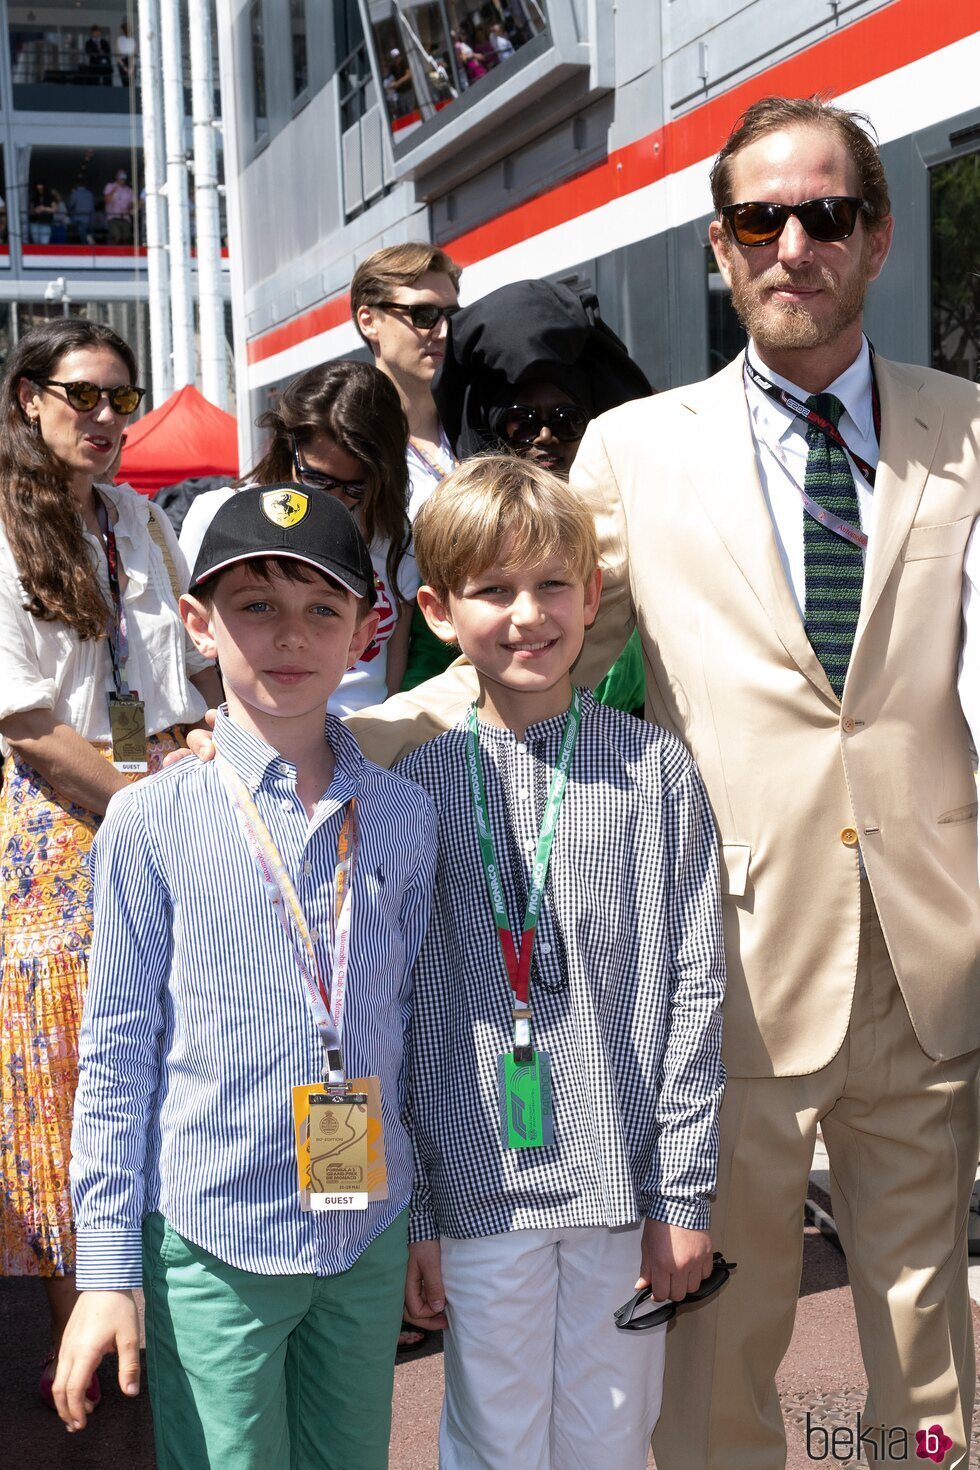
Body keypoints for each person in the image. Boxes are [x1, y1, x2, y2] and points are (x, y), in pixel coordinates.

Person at [344, 95, 980, 1468]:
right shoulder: (638, 451)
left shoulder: (965, 431)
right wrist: (331, 745)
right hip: (737, 956)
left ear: (875, 236)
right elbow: (545, 650)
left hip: (927, 954)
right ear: (721, 247)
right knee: (717, 1351)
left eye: (825, 213)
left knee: (925, 1353)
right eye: (763, 217)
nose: (794, 242)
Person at [53, 488, 436, 1467]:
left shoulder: (402, 816)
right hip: (210, 1243)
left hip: (364, 1234)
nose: (288, 636)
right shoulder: (150, 821)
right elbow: (116, 1052)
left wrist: (422, 1218)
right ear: (196, 622)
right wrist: (106, 1272)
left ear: (364, 629)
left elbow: (415, 1032)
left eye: (321, 608)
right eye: (255, 605)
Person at [394, 456, 725, 1467]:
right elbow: (397, 1012)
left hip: (620, 1197)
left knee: (610, 1442)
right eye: (491, 591)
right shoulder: (418, 785)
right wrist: (413, 1209)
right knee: (493, 1444)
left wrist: (680, 1195)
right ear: (441, 612)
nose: (525, 615)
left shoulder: (653, 770)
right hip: (477, 1190)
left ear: (591, 597)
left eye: (548, 586)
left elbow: (694, 989)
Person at [0, 319, 220, 1409]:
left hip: (140, 800)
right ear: (28, 401)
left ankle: (157, 1302)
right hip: (48, 829)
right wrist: (139, 802)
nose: (103, 418)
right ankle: (76, 1332)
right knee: (66, 1071)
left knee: (163, 1057)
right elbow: (32, 724)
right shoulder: (2, 524)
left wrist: (184, 762)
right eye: (80, 396)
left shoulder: (140, 521)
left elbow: (161, 693)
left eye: (119, 399)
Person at [432, 276, 652, 713]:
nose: (546, 435)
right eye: (524, 421)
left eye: (568, 419)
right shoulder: (461, 525)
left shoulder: (642, 517)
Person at [179, 360, 416, 716]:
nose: (335, 499)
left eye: (357, 486)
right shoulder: (219, 516)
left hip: (369, 743)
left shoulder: (394, 535)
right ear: (286, 445)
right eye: (318, 479)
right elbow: (190, 648)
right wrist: (224, 729)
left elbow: (394, 661)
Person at [351, 242, 462, 687]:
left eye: (452, 315)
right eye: (423, 315)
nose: (443, 331)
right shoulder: (347, 449)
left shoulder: (475, 428)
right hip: (372, 694)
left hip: (479, 679)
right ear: (369, 320)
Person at [103, 171, 134, 246]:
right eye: (120, 177)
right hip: (113, 217)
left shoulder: (129, 190)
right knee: (116, 236)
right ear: (117, 177)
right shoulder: (109, 186)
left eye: (124, 177)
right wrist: (113, 191)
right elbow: (106, 200)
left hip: (125, 217)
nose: (122, 179)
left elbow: (131, 203)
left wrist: (129, 208)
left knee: (126, 237)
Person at [115, 20, 135, 87]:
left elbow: (133, 55)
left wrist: (131, 67)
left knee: (130, 83)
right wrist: (124, 67)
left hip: (129, 61)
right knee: (125, 82)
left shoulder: (132, 40)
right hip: (123, 60)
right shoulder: (119, 39)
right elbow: (118, 55)